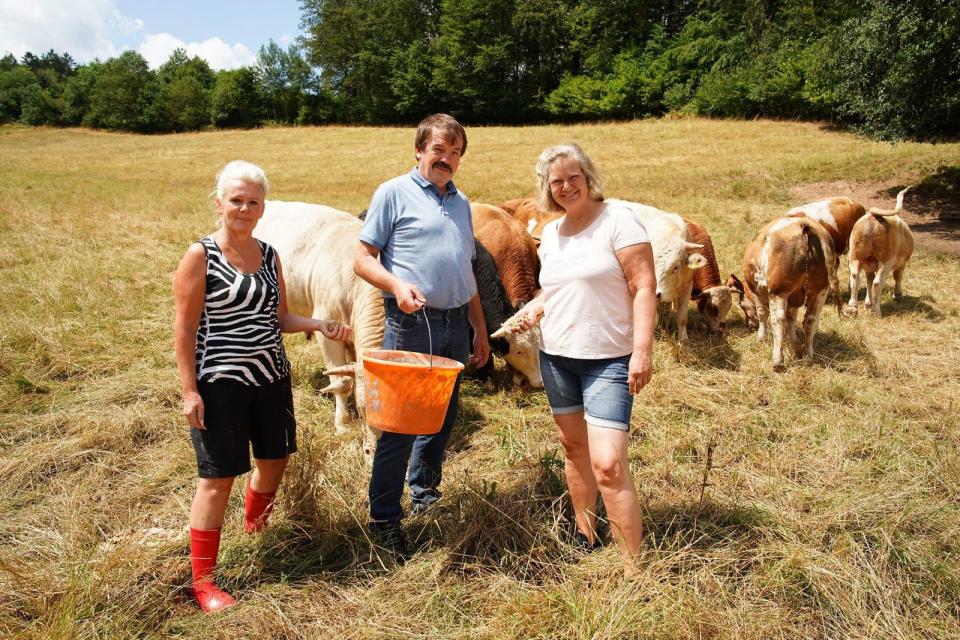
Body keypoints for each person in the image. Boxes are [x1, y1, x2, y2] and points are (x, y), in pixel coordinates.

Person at [173, 160, 351, 612]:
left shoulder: (270, 256)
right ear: (219, 204)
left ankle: (256, 530)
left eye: (253, 202)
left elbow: (279, 318)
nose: (245, 208)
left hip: (272, 377)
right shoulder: (201, 256)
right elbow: (185, 328)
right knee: (218, 479)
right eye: (236, 200)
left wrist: (320, 324)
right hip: (220, 383)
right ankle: (204, 581)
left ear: (263, 207)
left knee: (274, 462)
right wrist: (190, 390)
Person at [513, 143, 657, 576]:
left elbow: (645, 287)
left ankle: (635, 570)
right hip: (557, 358)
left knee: (609, 464)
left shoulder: (619, 220)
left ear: (588, 176)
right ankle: (586, 536)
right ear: (547, 188)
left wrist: (643, 351)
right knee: (574, 449)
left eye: (573, 177)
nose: (566, 187)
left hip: (609, 360)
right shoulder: (552, 235)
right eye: (556, 181)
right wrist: (534, 308)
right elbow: (553, 289)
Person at [353, 113, 490, 562]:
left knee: (442, 419)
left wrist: (479, 328)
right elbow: (361, 258)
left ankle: (424, 494)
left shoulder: (461, 202)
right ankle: (384, 519)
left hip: (454, 325)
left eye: (455, 153)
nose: (446, 159)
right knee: (400, 426)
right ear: (419, 150)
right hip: (411, 325)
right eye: (439, 150)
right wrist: (394, 285)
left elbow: (465, 268)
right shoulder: (393, 193)